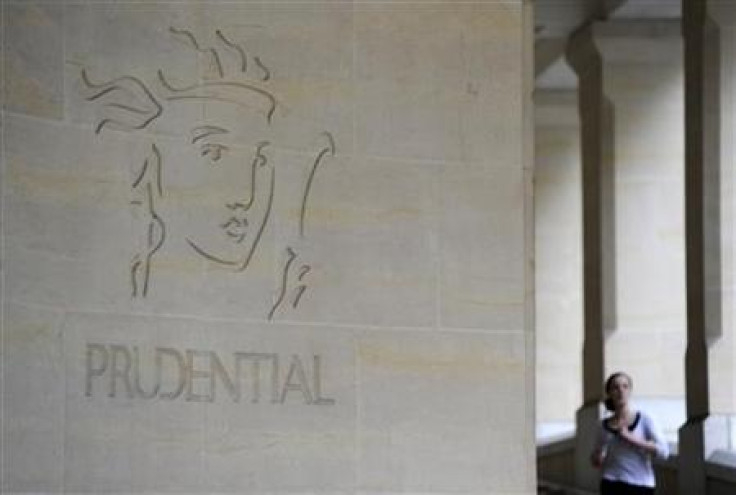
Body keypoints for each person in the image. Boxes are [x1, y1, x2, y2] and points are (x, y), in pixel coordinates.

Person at [590, 372, 669, 495]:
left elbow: (664, 452)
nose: (621, 391)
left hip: (640, 484)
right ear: (609, 393)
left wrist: (631, 438)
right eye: (616, 387)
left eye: (625, 386)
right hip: (611, 482)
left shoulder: (645, 418)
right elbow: (596, 460)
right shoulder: (603, 425)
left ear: (630, 391)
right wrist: (597, 457)